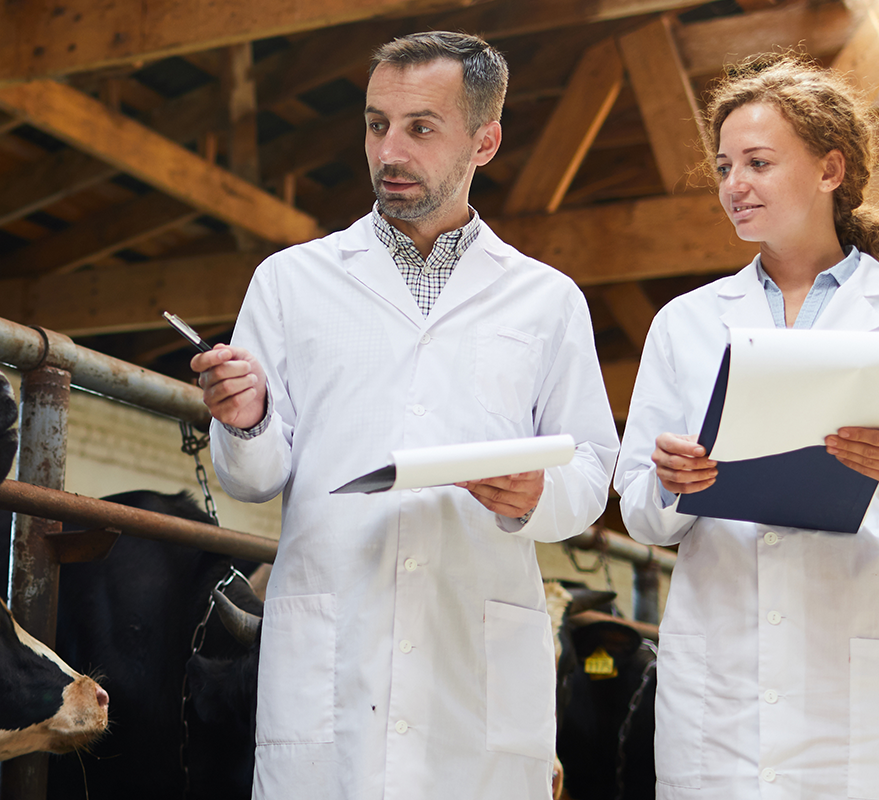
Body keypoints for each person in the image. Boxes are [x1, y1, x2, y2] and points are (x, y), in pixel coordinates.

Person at [190, 31, 617, 799]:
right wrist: (245, 420)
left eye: (421, 127)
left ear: (484, 140)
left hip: (474, 659)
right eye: (375, 123)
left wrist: (536, 495)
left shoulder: (547, 301)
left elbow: (589, 467)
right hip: (333, 655)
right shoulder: (290, 282)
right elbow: (250, 479)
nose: (389, 148)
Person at [614, 57, 879, 799]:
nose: (735, 185)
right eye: (725, 166)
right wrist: (671, 484)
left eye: (758, 162)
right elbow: (641, 512)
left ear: (830, 169)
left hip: (861, 689)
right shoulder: (684, 326)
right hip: (719, 693)